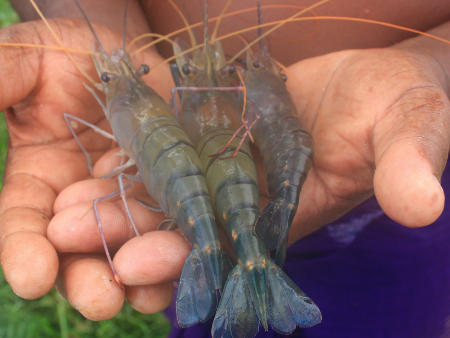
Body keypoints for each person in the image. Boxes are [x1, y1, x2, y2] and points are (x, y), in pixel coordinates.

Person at [0, 0, 450, 337]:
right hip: (259, 182)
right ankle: (248, 271)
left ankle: (225, 274)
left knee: (384, 313)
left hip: (375, 188)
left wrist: (434, 62)